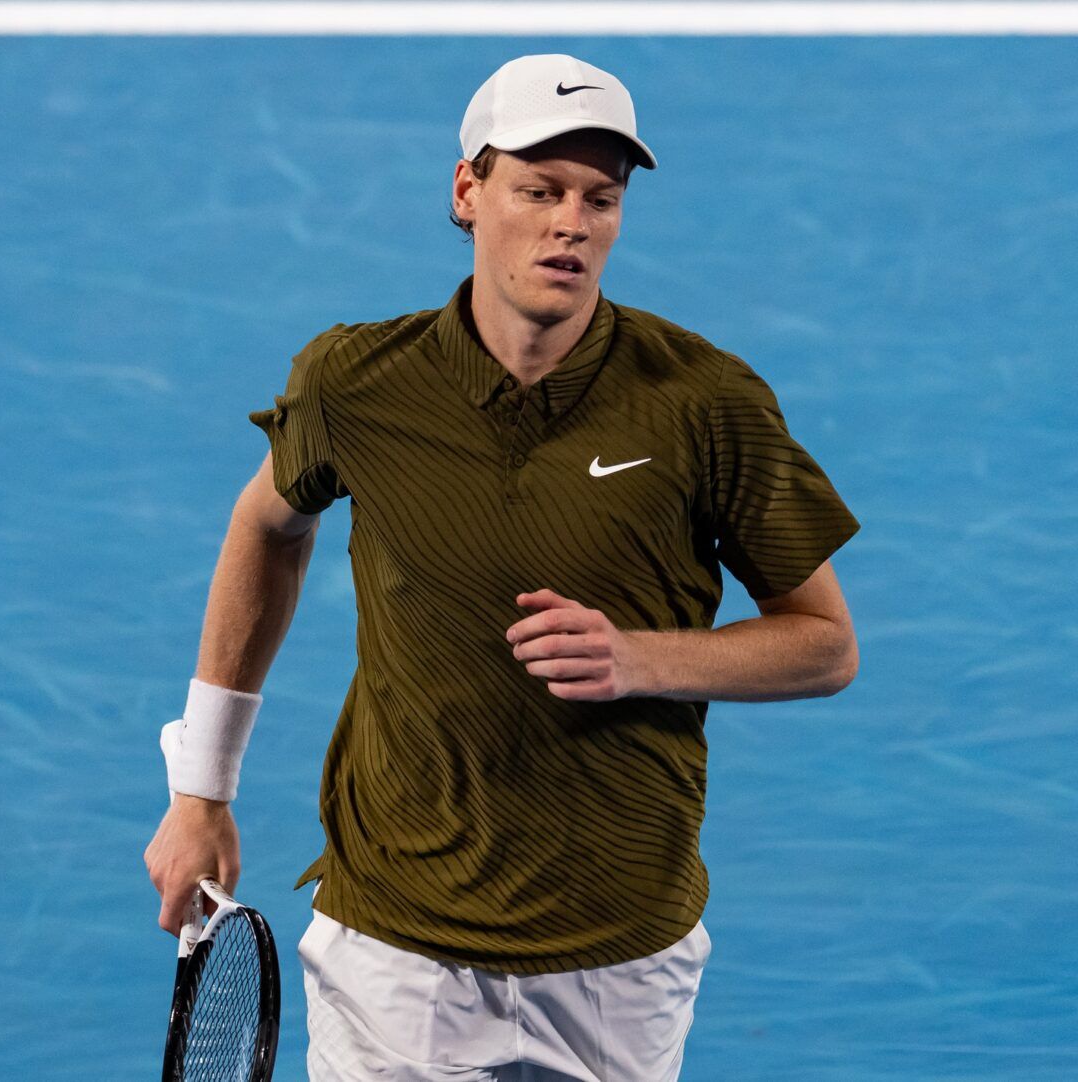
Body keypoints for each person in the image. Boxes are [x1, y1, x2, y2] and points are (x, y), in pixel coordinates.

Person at [143, 53, 861, 1081]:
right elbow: (267, 526)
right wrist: (201, 785)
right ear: (469, 192)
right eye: (540, 190)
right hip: (397, 939)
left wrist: (641, 657)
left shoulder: (705, 404)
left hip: (620, 944)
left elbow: (825, 642)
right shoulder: (357, 383)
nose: (572, 222)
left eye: (599, 198)